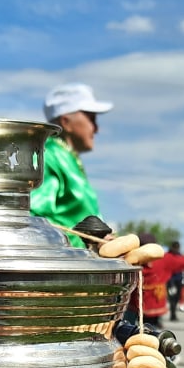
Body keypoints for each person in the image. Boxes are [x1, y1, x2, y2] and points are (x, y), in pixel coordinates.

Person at [31, 82, 113, 247]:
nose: (96, 129)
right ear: (66, 122)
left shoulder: (68, 157)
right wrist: (88, 243)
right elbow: (35, 220)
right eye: (92, 119)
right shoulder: (47, 155)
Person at [137, 233, 184, 328]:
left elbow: (183, 262)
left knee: (148, 325)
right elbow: (183, 262)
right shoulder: (134, 260)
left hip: (150, 298)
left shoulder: (163, 259)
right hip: (142, 300)